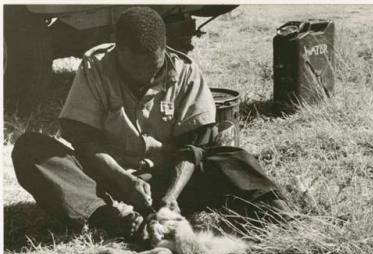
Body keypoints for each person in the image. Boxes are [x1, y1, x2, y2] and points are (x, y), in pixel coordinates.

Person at [12, 6, 289, 240]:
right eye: (134, 72)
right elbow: (84, 140)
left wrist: (170, 197)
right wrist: (124, 179)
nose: (144, 79)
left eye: (153, 69)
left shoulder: (186, 72)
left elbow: (193, 147)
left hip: (171, 179)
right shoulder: (95, 66)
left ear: (164, 49)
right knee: (30, 150)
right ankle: (111, 219)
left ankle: (277, 209)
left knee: (233, 159)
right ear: (118, 51)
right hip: (107, 179)